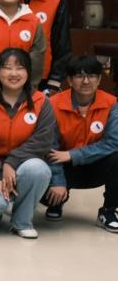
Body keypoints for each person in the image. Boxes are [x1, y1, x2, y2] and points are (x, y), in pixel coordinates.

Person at [0, 48, 57, 238]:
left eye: (20, 68)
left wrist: (11, 162)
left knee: (39, 169)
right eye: (7, 67)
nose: (14, 73)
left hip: (21, 166)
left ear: (28, 72)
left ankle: (22, 222)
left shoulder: (41, 101)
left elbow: (42, 141)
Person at [46, 55, 118, 231]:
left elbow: (112, 143)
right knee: (41, 170)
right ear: (70, 81)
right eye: (79, 76)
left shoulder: (112, 104)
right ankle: (56, 202)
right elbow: (50, 147)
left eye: (92, 76)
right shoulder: (53, 104)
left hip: (95, 165)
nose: (86, 81)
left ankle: (108, 210)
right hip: (62, 166)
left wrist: (73, 155)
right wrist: (58, 181)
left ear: (99, 79)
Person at [17, 0, 70, 91]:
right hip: (8, 72)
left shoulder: (56, 0)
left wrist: (55, 79)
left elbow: (62, 43)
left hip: (43, 77)